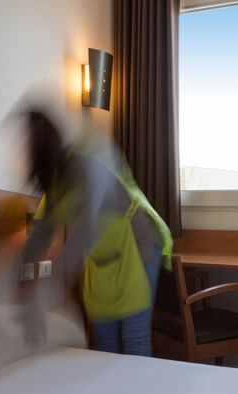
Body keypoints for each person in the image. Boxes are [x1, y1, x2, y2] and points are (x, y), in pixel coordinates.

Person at [16, 110, 172, 356]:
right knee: (104, 337)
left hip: (139, 243)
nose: (23, 154)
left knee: (133, 335)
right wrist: (23, 287)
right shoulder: (55, 184)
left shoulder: (84, 169)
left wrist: (45, 292)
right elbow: (40, 236)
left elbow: (85, 231)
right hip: (102, 256)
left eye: (27, 147)